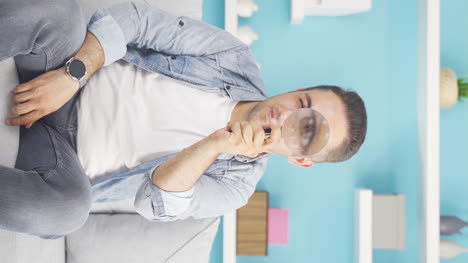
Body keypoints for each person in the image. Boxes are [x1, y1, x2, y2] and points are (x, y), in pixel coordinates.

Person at [0, 0, 367, 239]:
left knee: (67, 213)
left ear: (302, 159)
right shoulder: (232, 57)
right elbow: (136, 20)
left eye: (306, 131)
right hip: (61, 73)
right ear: (298, 90)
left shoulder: (236, 187)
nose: (287, 115)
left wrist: (217, 143)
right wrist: (74, 74)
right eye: (302, 102)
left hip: (60, 160)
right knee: (62, 14)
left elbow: (153, 203)